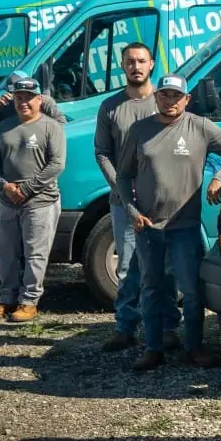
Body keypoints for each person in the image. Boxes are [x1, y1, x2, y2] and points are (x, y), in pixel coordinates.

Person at [115, 73, 221, 372]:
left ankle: (194, 347)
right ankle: (153, 348)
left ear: (187, 99)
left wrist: (220, 177)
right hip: (148, 226)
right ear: (156, 97)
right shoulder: (139, 130)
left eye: (176, 96)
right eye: (165, 95)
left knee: (192, 290)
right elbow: (122, 175)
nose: (170, 101)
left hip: (185, 225)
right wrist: (131, 211)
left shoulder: (200, 127)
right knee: (151, 288)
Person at [94, 43, 179, 352]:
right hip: (125, 204)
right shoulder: (111, 107)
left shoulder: (166, 102)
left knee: (165, 267)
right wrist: (120, 186)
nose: (136, 66)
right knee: (128, 266)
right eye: (130, 61)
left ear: (152, 64)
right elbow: (102, 153)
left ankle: (168, 325)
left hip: (162, 204)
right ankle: (125, 326)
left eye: (142, 61)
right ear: (122, 65)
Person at [0, 77, 65, 323]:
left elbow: (57, 164)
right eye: (19, 98)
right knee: (4, 251)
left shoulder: (52, 127)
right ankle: (7, 299)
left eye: (29, 98)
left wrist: (27, 188)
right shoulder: (5, 126)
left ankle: (29, 302)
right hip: (7, 199)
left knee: (35, 253)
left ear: (40, 99)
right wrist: (3, 185)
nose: (24, 103)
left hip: (40, 200)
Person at [0, 71, 65, 131]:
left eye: (28, 96)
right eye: (18, 96)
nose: (22, 102)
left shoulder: (45, 102)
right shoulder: (6, 104)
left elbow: (63, 125)